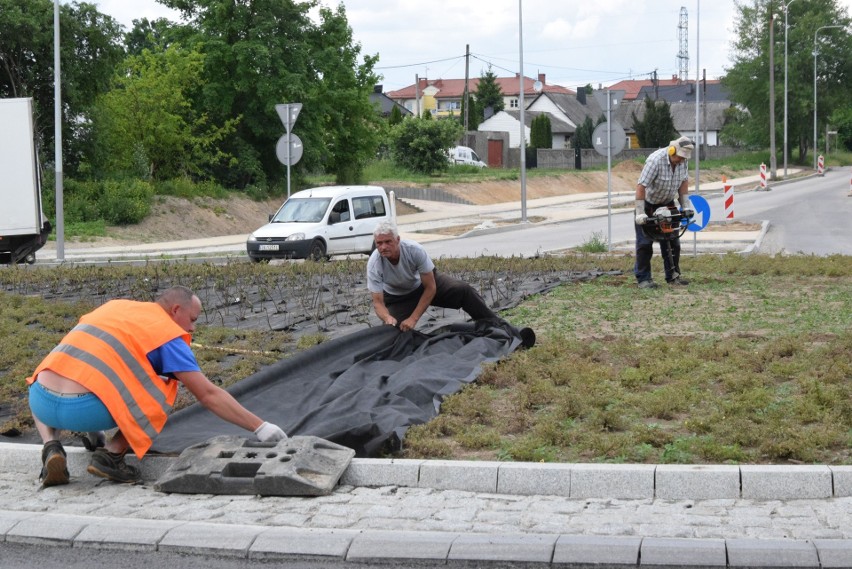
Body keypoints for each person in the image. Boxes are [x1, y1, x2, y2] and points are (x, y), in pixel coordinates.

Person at [27, 285, 287, 487]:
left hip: (42, 404)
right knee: (165, 387)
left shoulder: (115, 306)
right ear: (176, 310)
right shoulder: (167, 334)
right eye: (192, 319)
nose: (192, 328)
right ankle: (111, 456)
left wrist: (92, 431)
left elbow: (88, 363)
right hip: (86, 410)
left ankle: (51, 445)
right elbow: (208, 394)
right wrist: (260, 426)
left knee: (54, 370)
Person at [367, 222, 535, 348]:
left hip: (423, 285)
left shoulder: (414, 250)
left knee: (463, 290)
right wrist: (388, 318)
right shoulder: (375, 263)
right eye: (379, 243)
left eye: (388, 242)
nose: (383, 247)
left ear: (397, 240)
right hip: (398, 297)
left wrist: (413, 318)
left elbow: (431, 287)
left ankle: (504, 331)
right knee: (393, 334)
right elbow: (378, 303)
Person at [633, 136, 696, 289]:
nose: (681, 160)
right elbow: (641, 186)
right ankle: (644, 279)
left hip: (668, 204)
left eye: (683, 158)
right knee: (644, 243)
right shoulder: (655, 161)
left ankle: (673, 276)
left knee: (673, 241)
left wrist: (685, 206)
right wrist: (640, 213)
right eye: (679, 157)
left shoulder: (683, 162)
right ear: (672, 150)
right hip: (648, 205)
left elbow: (683, 182)